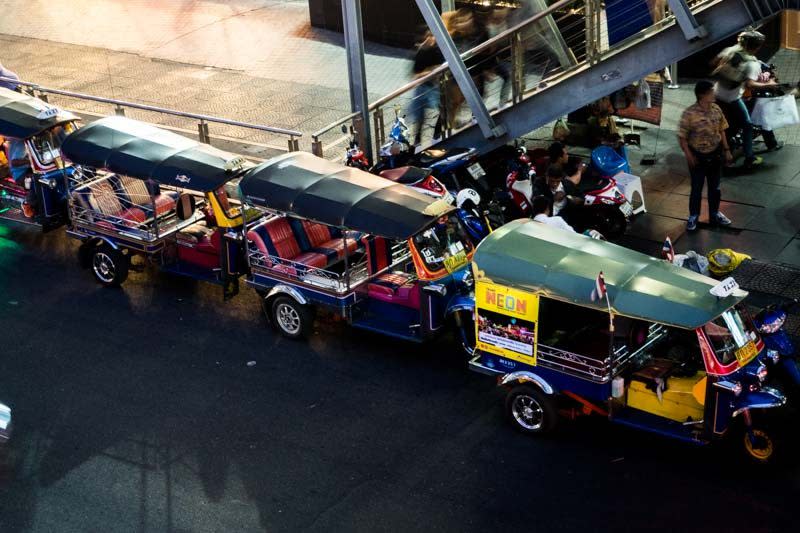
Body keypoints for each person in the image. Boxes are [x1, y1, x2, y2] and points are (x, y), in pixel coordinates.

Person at [713, 30, 780, 170]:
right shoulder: (752, 63)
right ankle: (750, 158)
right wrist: (769, 84)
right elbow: (750, 84)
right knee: (747, 125)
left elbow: (715, 62)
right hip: (732, 99)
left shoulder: (730, 50)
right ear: (757, 47)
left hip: (716, 94)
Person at [678, 80, 733, 232]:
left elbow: (722, 129)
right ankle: (693, 215)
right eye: (711, 92)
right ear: (702, 95)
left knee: (715, 188)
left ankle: (715, 213)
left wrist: (727, 150)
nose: (714, 94)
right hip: (698, 158)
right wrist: (689, 155)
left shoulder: (716, 109)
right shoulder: (690, 114)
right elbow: (682, 137)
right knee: (696, 188)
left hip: (715, 155)